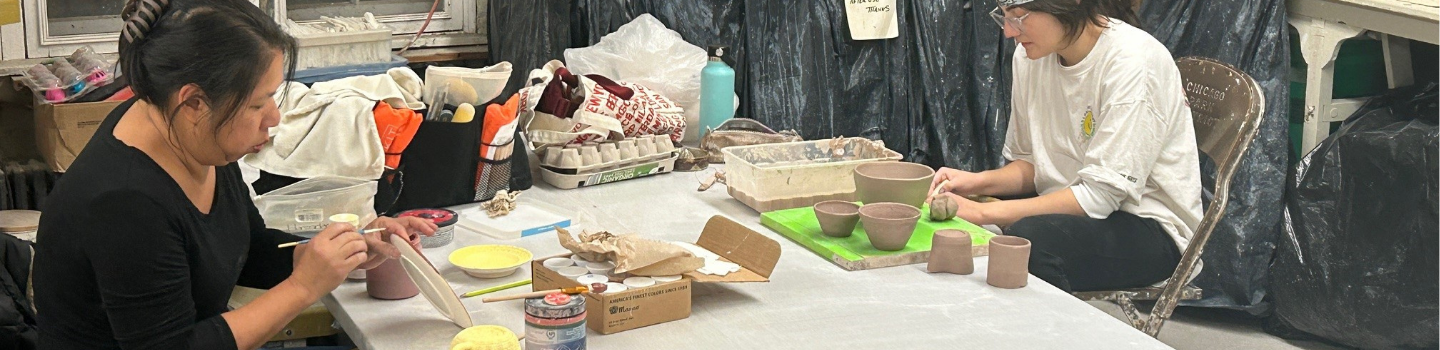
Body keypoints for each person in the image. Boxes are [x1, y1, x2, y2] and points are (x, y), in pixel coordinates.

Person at [30, 0, 436, 349]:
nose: (274, 119)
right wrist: (304, 287)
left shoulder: (185, 134)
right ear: (193, 102)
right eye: (259, 105)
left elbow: (249, 249)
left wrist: (340, 254)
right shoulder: (124, 202)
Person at [928, 0, 1203, 293]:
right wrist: (976, 183)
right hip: (1079, 207)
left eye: (1019, 18)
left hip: (1151, 227)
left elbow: (1099, 198)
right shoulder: (1030, 56)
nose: (1009, 32)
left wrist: (981, 213)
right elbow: (1035, 165)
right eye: (1003, 17)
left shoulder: (1134, 62)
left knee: (1029, 242)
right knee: (1003, 230)